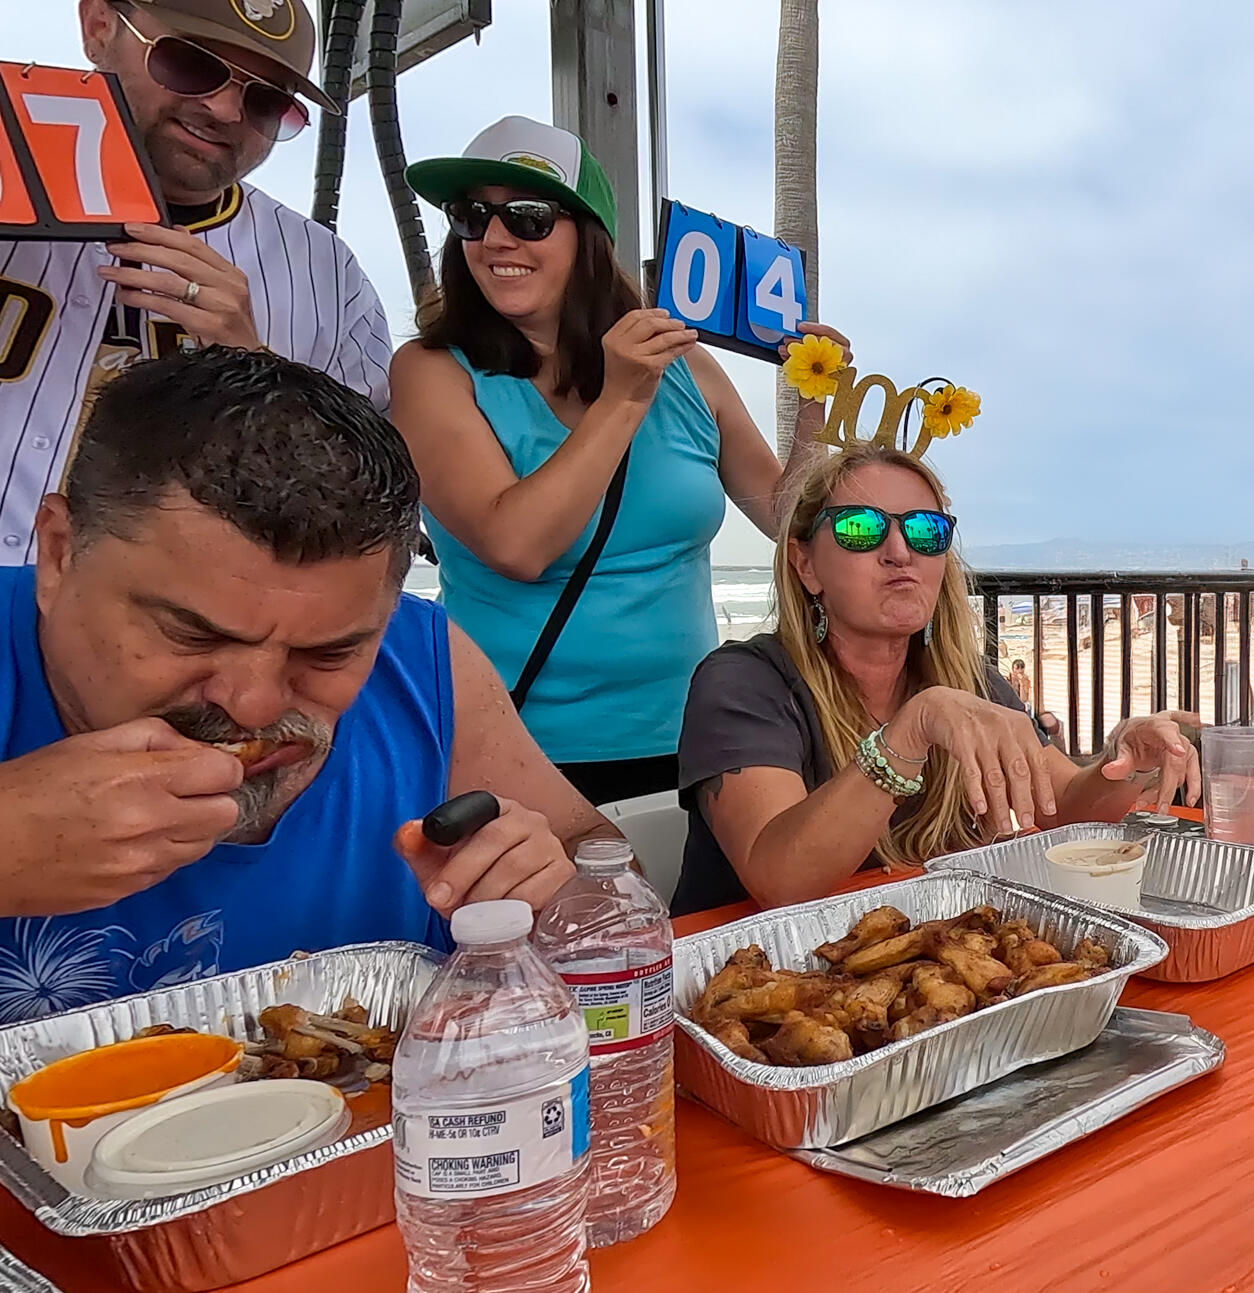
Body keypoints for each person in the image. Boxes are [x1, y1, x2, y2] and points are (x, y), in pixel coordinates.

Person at [0, 347, 618, 1024]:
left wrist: (553, 895)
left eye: (327, 653)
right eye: (195, 635)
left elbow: (597, 862)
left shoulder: (421, 657)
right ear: (59, 553)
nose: (257, 702)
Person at [390, 116, 848, 808]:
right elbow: (517, 544)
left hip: (698, 744)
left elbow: (788, 519)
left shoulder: (688, 368)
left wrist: (814, 403)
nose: (495, 238)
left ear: (590, 238)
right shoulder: (432, 372)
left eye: (529, 216)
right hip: (517, 756)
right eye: (471, 216)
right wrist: (622, 399)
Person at [675, 441, 1200, 915]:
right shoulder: (743, 683)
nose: (901, 552)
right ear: (805, 564)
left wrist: (1125, 762)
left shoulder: (962, 679)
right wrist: (909, 732)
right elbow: (781, 880)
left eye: (926, 531)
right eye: (860, 528)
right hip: (751, 990)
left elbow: (1061, 804)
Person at [0, 0, 391, 565]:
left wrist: (255, 379)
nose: (226, 109)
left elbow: (365, 506)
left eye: (267, 99)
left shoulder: (325, 272)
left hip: (158, 636)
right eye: (191, 64)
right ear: (98, 26)